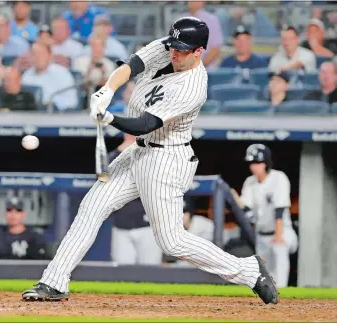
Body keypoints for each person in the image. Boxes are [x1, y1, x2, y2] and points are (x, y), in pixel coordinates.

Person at [22, 17, 278, 305]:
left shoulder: (193, 86)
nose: (175, 52)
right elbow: (130, 66)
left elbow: (145, 124)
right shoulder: (167, 48)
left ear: (199, 51)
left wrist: (109, 118)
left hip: (166, 157)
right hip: (138, 152)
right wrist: (106, 90)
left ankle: (248, 270)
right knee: (91, 207)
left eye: (183, 49)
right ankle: (54, 281)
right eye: (174, 46)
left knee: (172, 241)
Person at [232, 144, 298, 288]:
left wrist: (279, 236)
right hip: (261, 235)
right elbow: (247, 209)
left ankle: (283, 291)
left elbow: (280, 209)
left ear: (266, 163)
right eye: (252, 163)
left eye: (257, 163)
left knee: (279, 250)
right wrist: (236, 200)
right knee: (265, 275)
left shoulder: (278, 178)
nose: (254, 166)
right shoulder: (250, 182)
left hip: (283, 231)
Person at [108, 134, 162, 265]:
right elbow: (104, 186)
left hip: (148, 226)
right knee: (122, 273)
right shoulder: (112, 157)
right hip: (121, 224)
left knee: (151, 272)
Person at [22, 42, 78, 111]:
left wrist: (51, 104)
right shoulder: (27, 75)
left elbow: (72, 102)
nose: (37, 57)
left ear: (50, 55)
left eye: (41, 54)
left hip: (56, 116)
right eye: (34, 54)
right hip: (30, 115)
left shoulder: (61, 73)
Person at [73, 34, 115, 107]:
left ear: (103, 47)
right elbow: (80, 84)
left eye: (99, 46)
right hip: (84, 95)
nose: (96, 49)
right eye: (94, 46)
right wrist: (89, 71)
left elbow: (109, 87)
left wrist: (103, 73)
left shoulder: (109, 64)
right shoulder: (80, 62)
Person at [184, 1, 223, 69]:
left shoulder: (211, 20)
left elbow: (215, 49)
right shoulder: (180, 19)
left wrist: (198, 67)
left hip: (206, 71)